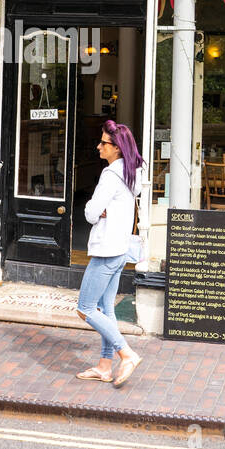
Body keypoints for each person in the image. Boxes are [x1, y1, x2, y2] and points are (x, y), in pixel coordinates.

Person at [75, 120, 144, 387]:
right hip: (120, 249)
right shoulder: (130, 173)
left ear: (116, 148)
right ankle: (104, 367)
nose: (98, 146)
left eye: (104, 142)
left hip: (106, 251)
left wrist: (95, 209)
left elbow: (90, 212)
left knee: (85, 308)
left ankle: (126, 354)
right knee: (106, 309)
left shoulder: (110, 175)